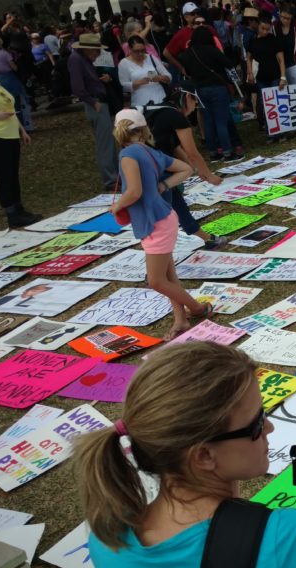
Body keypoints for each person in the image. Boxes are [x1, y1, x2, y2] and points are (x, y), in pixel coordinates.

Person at [75, 341, 296, 568]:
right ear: (203, 456)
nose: (270, 427)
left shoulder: (107, 536)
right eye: (255, 424)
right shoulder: (290, 535)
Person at [110, 109, 210, 341]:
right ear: (144, 129)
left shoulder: (128, 154)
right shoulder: (148, 150)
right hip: (161, 218)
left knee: (156, 281)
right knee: (168, 276)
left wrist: (116, 206)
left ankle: (196, 309)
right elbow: (186, 169)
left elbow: (134, 192)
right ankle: (181, 319)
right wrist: (164, 186)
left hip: (156, 222)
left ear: (118, 130)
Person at [143, 86, 228, 250]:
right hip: (156, 168)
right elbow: (192, 152)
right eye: (195, 104)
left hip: (145, 164)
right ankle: (158, 259)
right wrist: (208, 175)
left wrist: (195, 170)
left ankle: (208, 239)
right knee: (164, 214)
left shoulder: (159, 110)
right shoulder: (176, 116)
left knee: (176, 203)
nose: (193, 109)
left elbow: (174, 147)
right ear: (188, 98)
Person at [0, 53, 41, 227]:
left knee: (13, 173)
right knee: (4, 175)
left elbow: (9, 108)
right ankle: (12, 213)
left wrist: (22, 130)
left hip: (10, 133)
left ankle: (19, 209)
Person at [69, 33, 120, 190]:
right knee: (105, 143)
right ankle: (110, 180)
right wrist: (92, 101)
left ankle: (116, 176)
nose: (98, 54)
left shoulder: (84, 60)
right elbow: (78, 87)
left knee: (110, 141)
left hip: (99, 101)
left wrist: (100, 81)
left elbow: (88, 81)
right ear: (87, 49)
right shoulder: (76, 60)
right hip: (95, 103)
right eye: (96, 50)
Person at [180, 26, 239, 160]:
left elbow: (187, 72)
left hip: (200, 90)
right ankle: (227, 152)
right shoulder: (211, 50)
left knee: (208, 121)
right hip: (217, 88)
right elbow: (228, 63)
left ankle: (213, 152)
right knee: (221, 121)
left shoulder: (188, 53)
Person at [0, 35, 33, 132]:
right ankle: (23, 127)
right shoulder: (5, 53)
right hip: (10, 79)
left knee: (0, 105)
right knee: (16, 104)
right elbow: (14, 67)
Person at [246, 14, 287, 137]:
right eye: (262, 28)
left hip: (274, 76)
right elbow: (248, 58)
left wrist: (283, 77)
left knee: (277, 103)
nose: (264, 31)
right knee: (266, 105)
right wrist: (250, 73)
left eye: (267, 29)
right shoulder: (252, 41)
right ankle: (271, 132)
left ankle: (281, 132)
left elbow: (281, 59)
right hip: (261, 77)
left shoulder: (273, 39)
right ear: (258, 26)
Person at [120, 36, 172, 106]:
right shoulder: (124, 63)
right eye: (136, 51)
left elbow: (169, 77)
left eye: (142, 50)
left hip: (160, 98)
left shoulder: (151, 58)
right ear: (130, 49)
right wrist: (138, 82)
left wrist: (159, 78)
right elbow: (124, 87)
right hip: (139, 103)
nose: (140, 53)